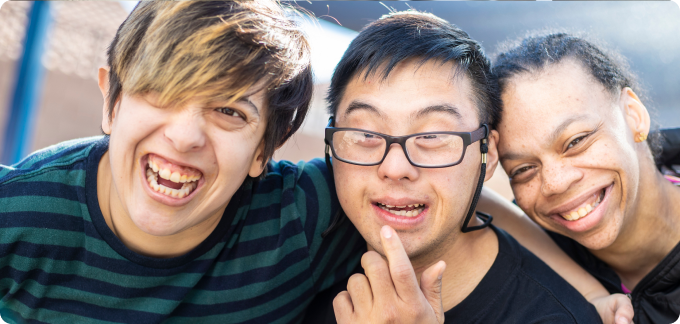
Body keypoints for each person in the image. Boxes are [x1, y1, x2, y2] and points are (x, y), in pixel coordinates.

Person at [0, 1, 364, 323]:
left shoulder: (301, 220)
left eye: (228, 111)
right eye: (161, 92)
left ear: (263, 150)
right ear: (112, 103)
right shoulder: (15, 217)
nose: (185, 136)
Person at [303, 11, 604, 324]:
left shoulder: (553, 316)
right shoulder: (306, 280)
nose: (394, 167)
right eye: (366, 134)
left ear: (488, 155)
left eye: (432, 135)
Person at [491, 32, 680, 323]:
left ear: (633, 114)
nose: (555, 183)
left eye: (576, 141)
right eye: (523, 170)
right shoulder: (535, 274)